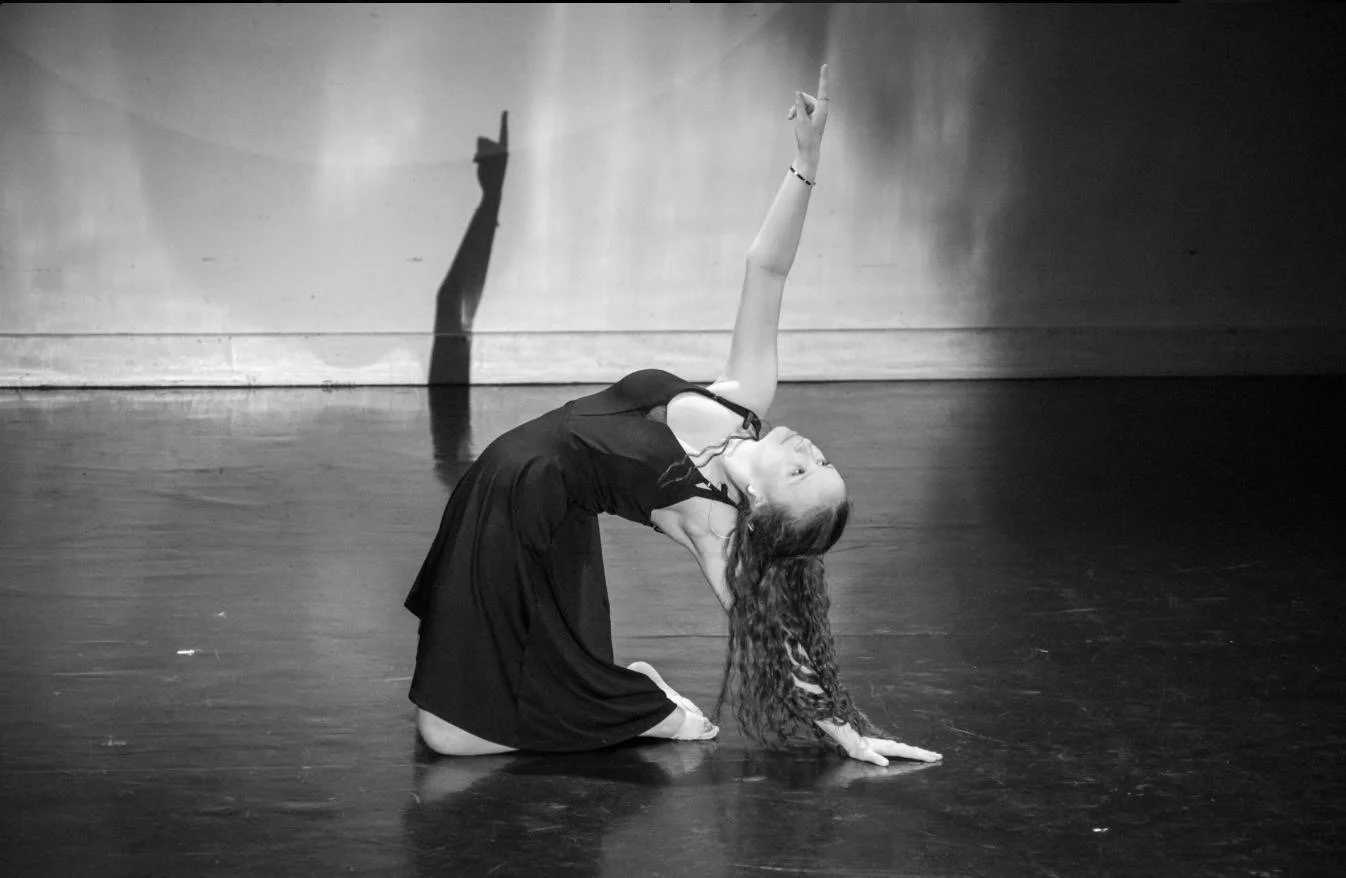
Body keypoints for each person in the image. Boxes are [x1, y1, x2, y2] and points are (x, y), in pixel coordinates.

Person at [405, 65, 942, 767]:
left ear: (762, 503)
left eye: (803, 471)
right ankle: (628, 696)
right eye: (824, 460)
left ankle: (648, 709)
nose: (812, 450)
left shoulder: (710, 516)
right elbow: (766, 270)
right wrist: (806, 163)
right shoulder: (744, 399)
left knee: (448, 737)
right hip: (509, 482)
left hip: (523, 506)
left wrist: (846, 728)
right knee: (461, 714)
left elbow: (766, 634)